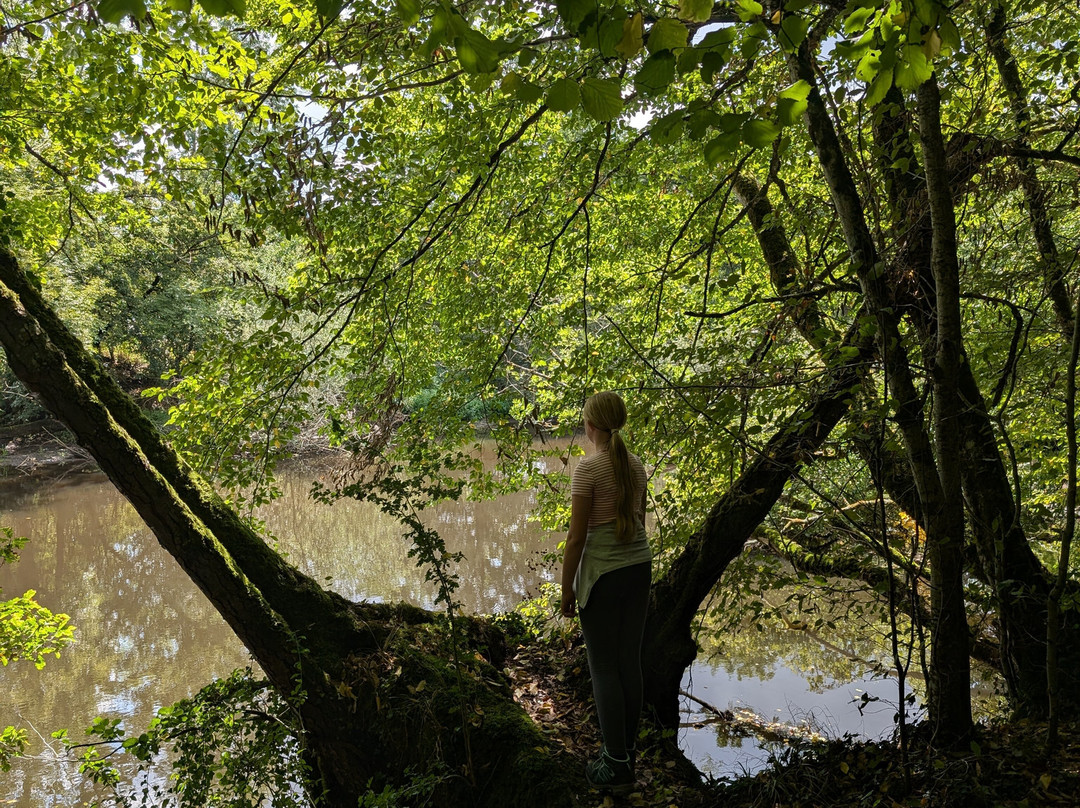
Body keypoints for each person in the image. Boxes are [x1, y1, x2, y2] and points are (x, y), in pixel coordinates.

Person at [560, 391, 652, 795]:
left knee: (603, 668)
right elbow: (639, 521)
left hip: (603, 575)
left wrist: (566, 589)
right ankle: (625, 753)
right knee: (628, 663)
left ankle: (615, 764)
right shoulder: (637, 466)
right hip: (639, 568)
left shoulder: (588, 469)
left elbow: (577, 538)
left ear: (590, 425)